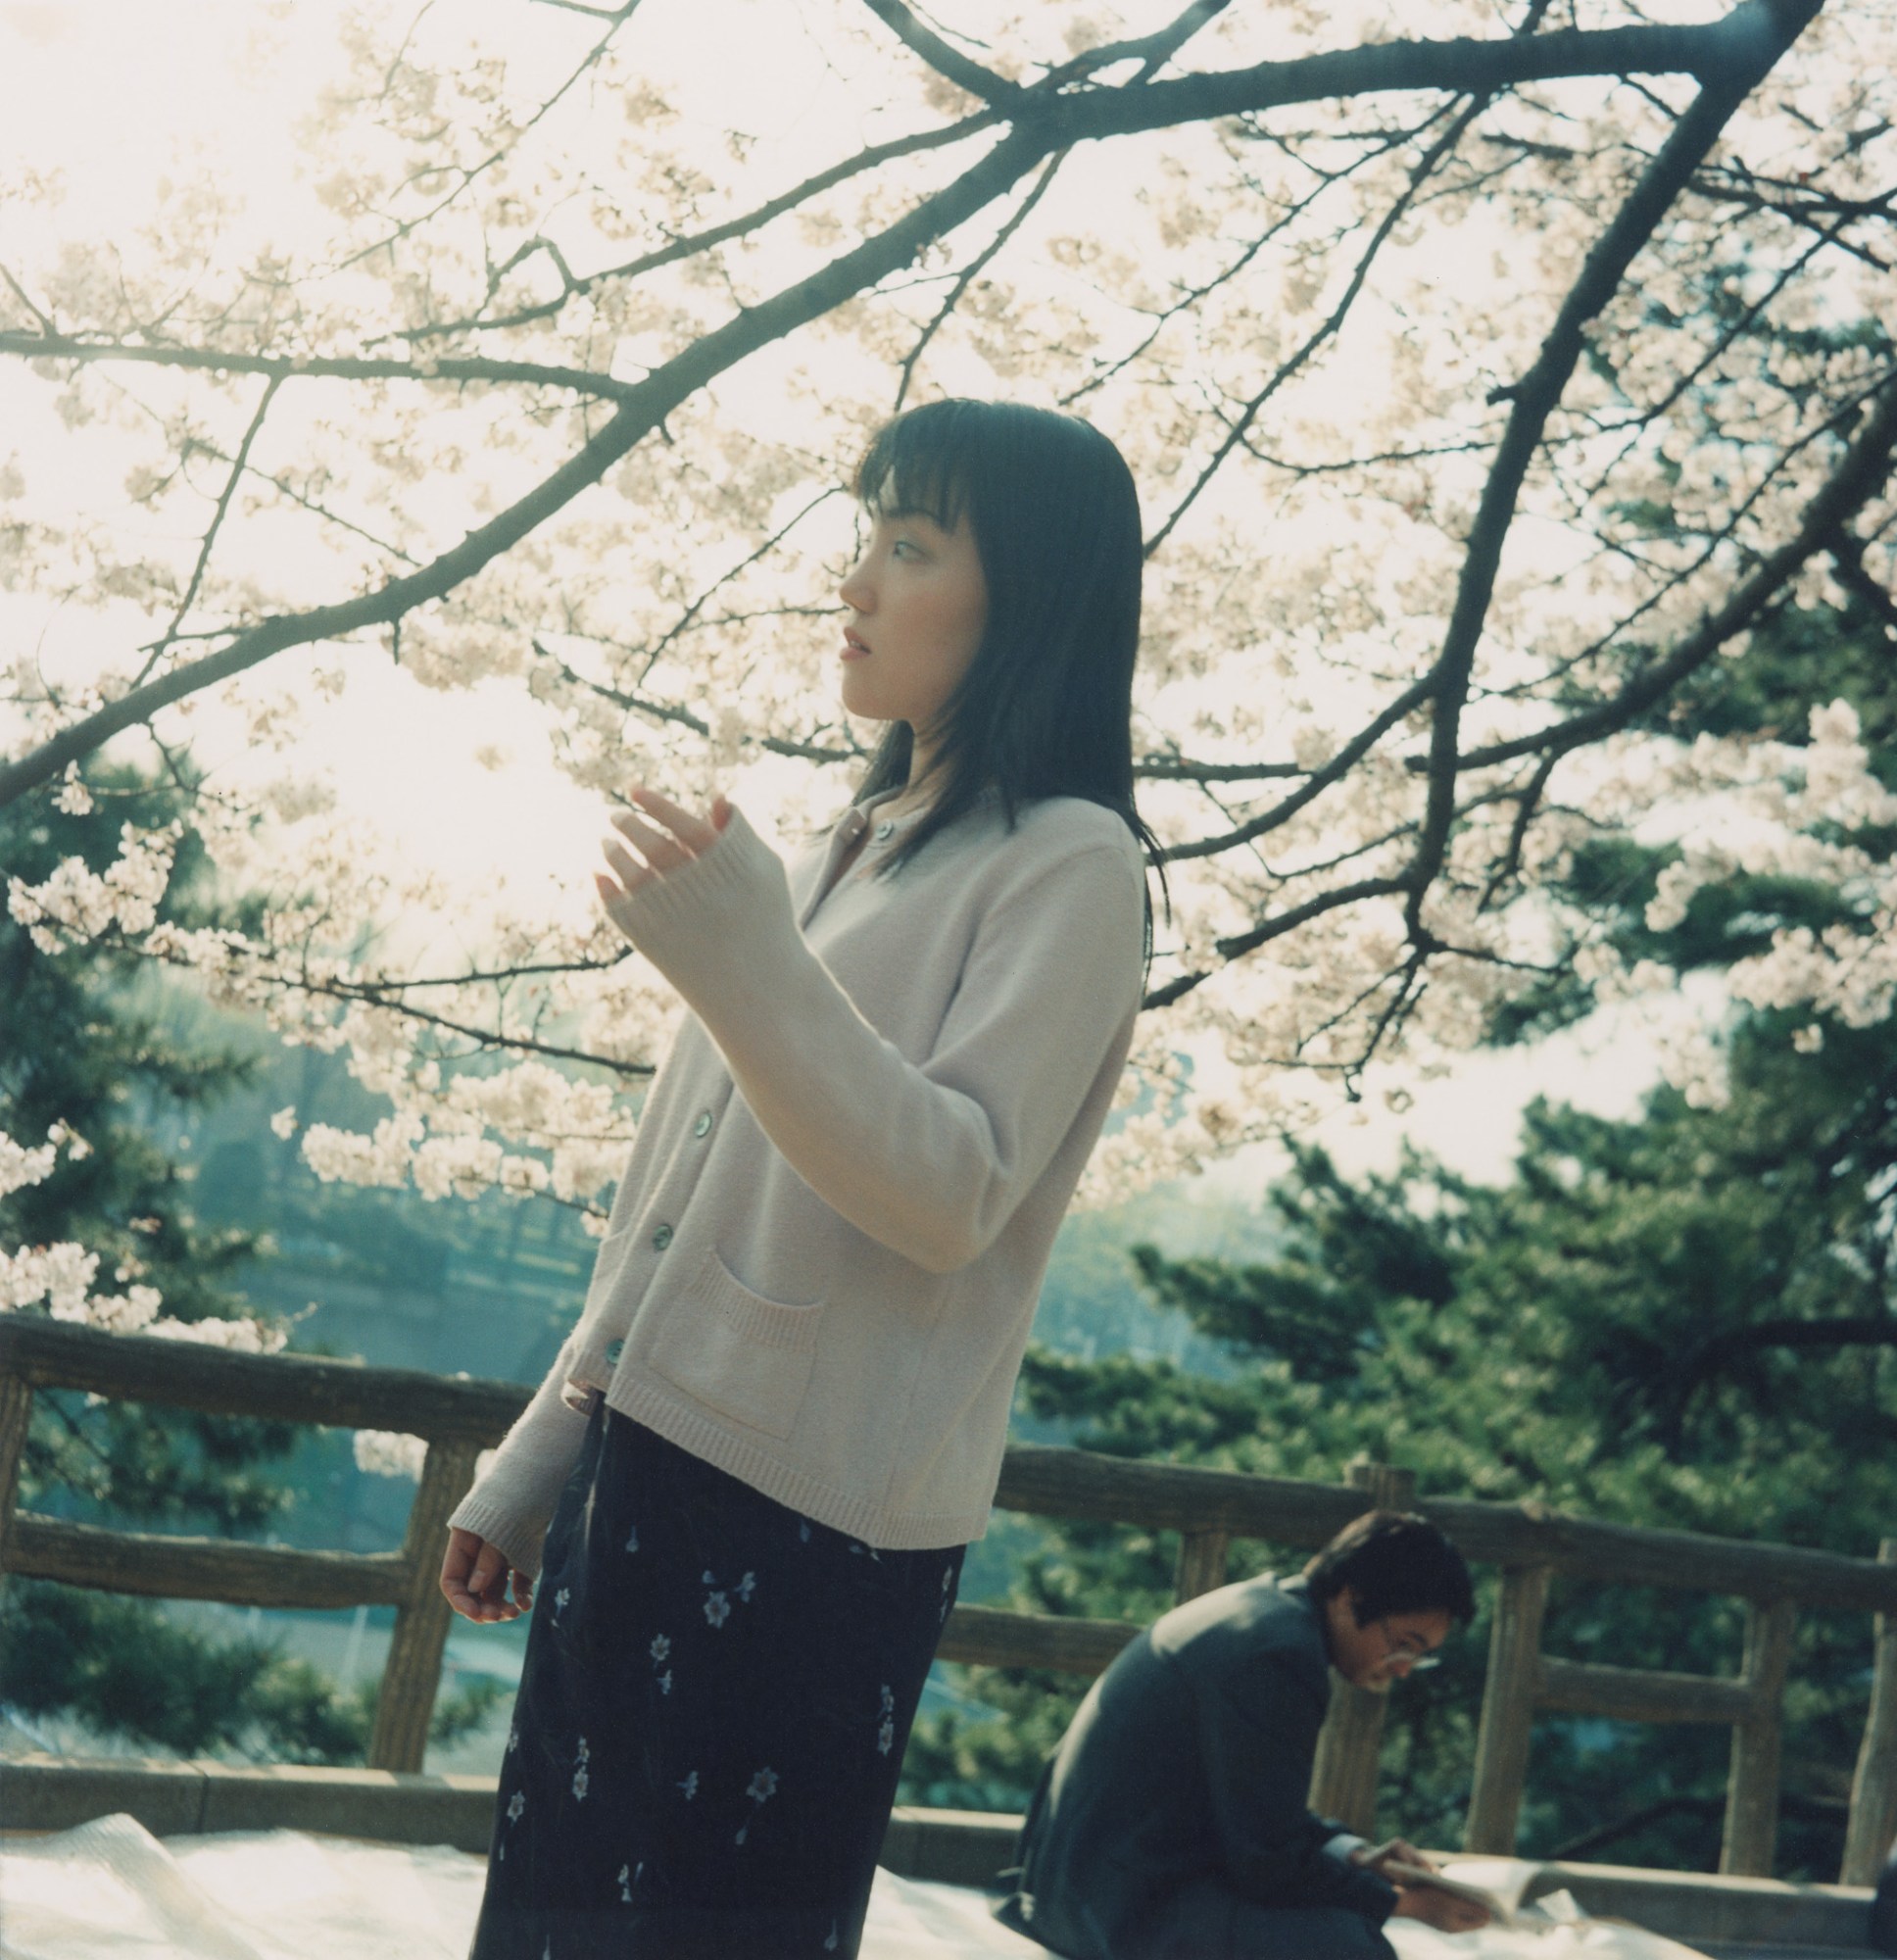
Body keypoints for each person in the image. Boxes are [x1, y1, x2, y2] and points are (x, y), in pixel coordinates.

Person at [436, 398, 1160, 1959]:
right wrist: (541, 1452)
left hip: (809, 1538)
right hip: (641, 1476)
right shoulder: (854, 843)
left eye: (908, 547)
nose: (854, 581)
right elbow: (681, 1201)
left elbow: (952, 1192)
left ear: (1027, 594)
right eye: (866, 535)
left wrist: (747, 961)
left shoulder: (1075, 861)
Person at [995, 1510, 1488, 1960]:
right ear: (1350, 1598)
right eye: (1403, 1645)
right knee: (1350, 1948)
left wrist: (1356, 1857)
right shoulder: (1279, 1658)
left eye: (1420, 1656)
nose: (1402, 1670)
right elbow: (1266, 1865)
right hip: (1112, 1909)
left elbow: (1259, 1810)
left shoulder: (1265, 1612)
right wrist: (1405, 1903)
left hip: (1086, 1882)